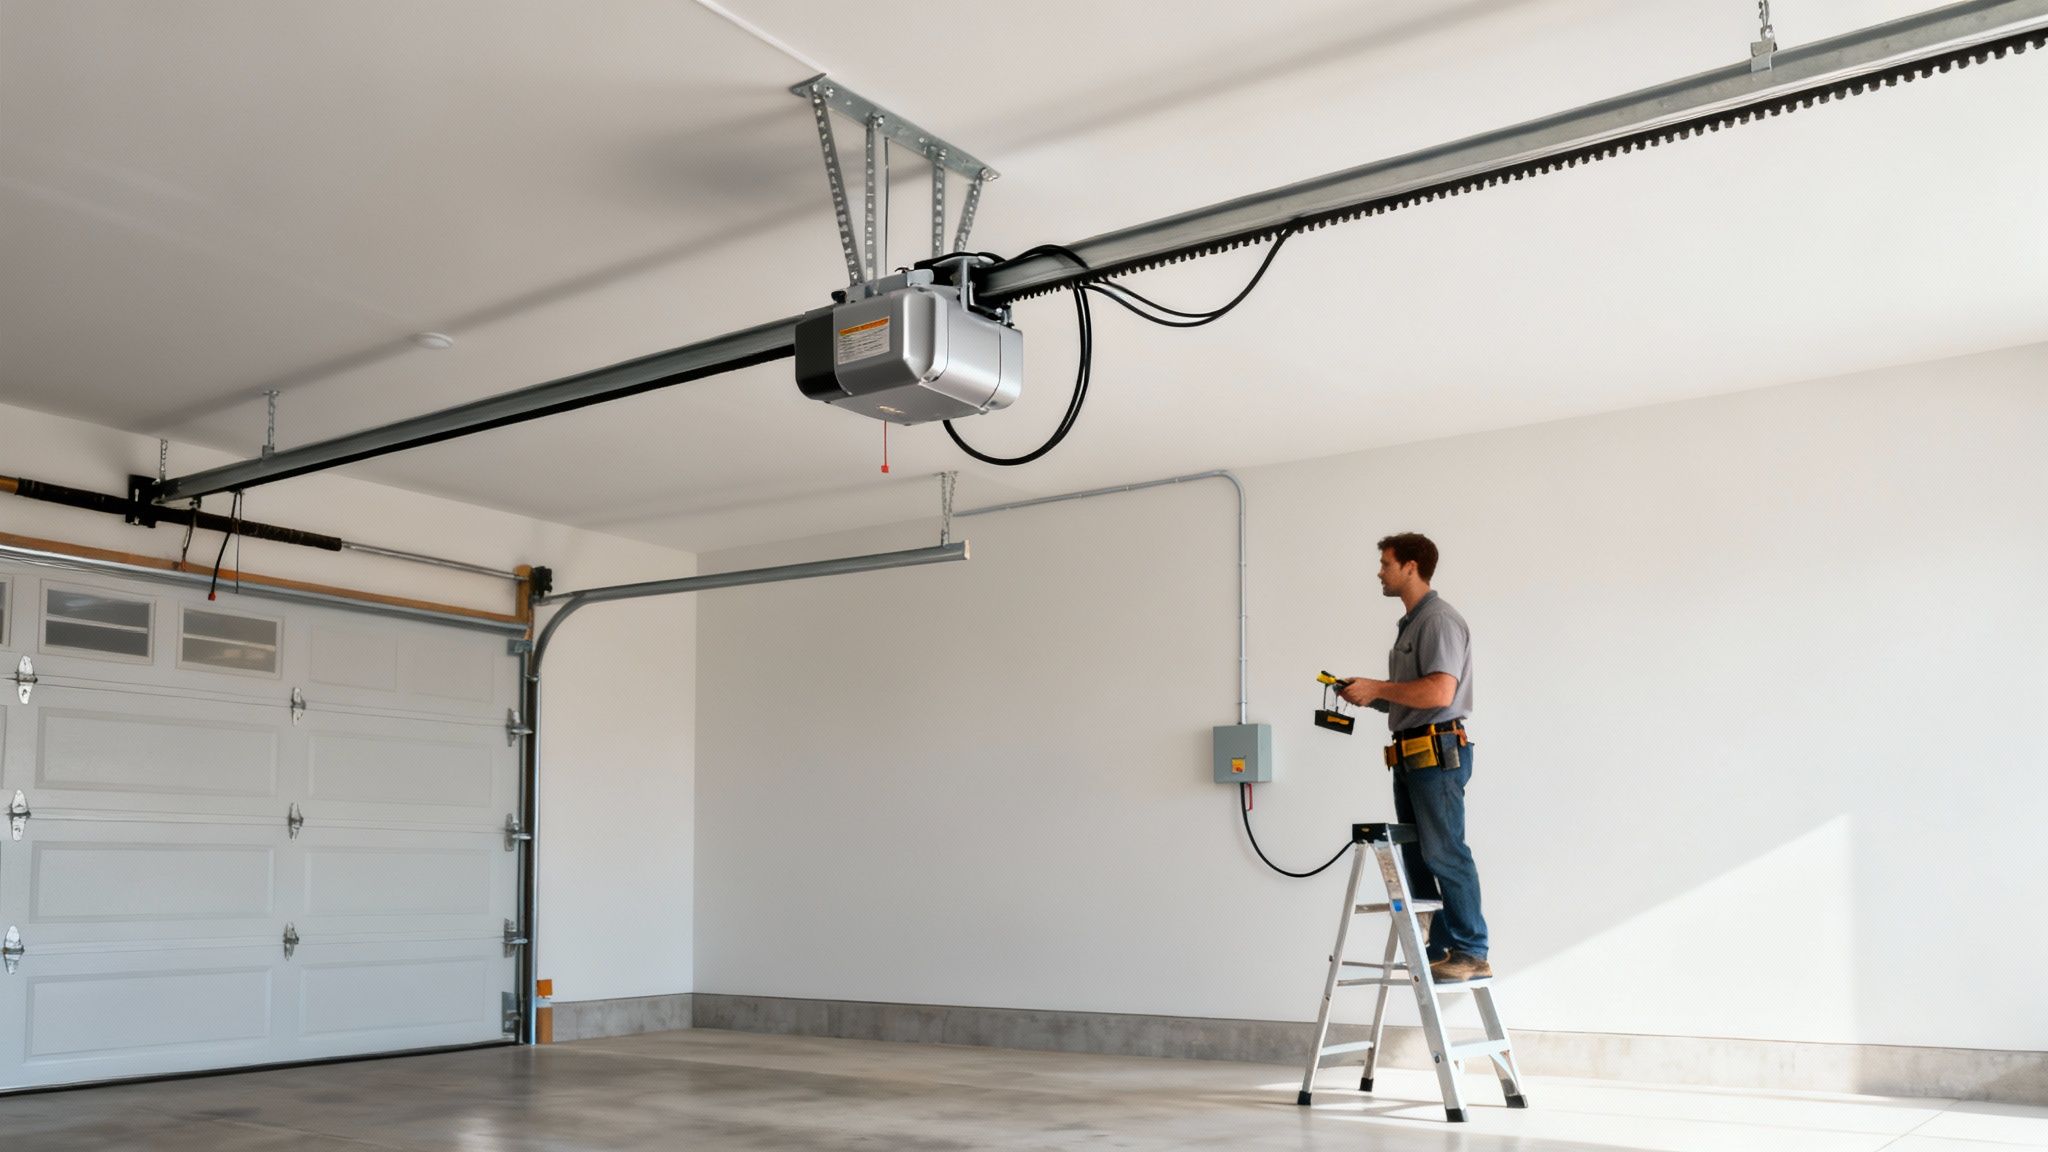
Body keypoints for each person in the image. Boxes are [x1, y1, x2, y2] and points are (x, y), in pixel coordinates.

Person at [1338, 532, 1491, 982]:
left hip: (1434, 753)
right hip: (1410, 753)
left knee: (1445, 853)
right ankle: (1442, 946)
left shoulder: (1438, 621)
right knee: (1420, 858)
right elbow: (1415, 696)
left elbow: (1441, 691)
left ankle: (1471, 949)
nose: (1380, 572)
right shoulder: (1410, 624)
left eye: (1386, 563)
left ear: (1410, 566)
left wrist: (1379, 686)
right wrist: (1369, 695)